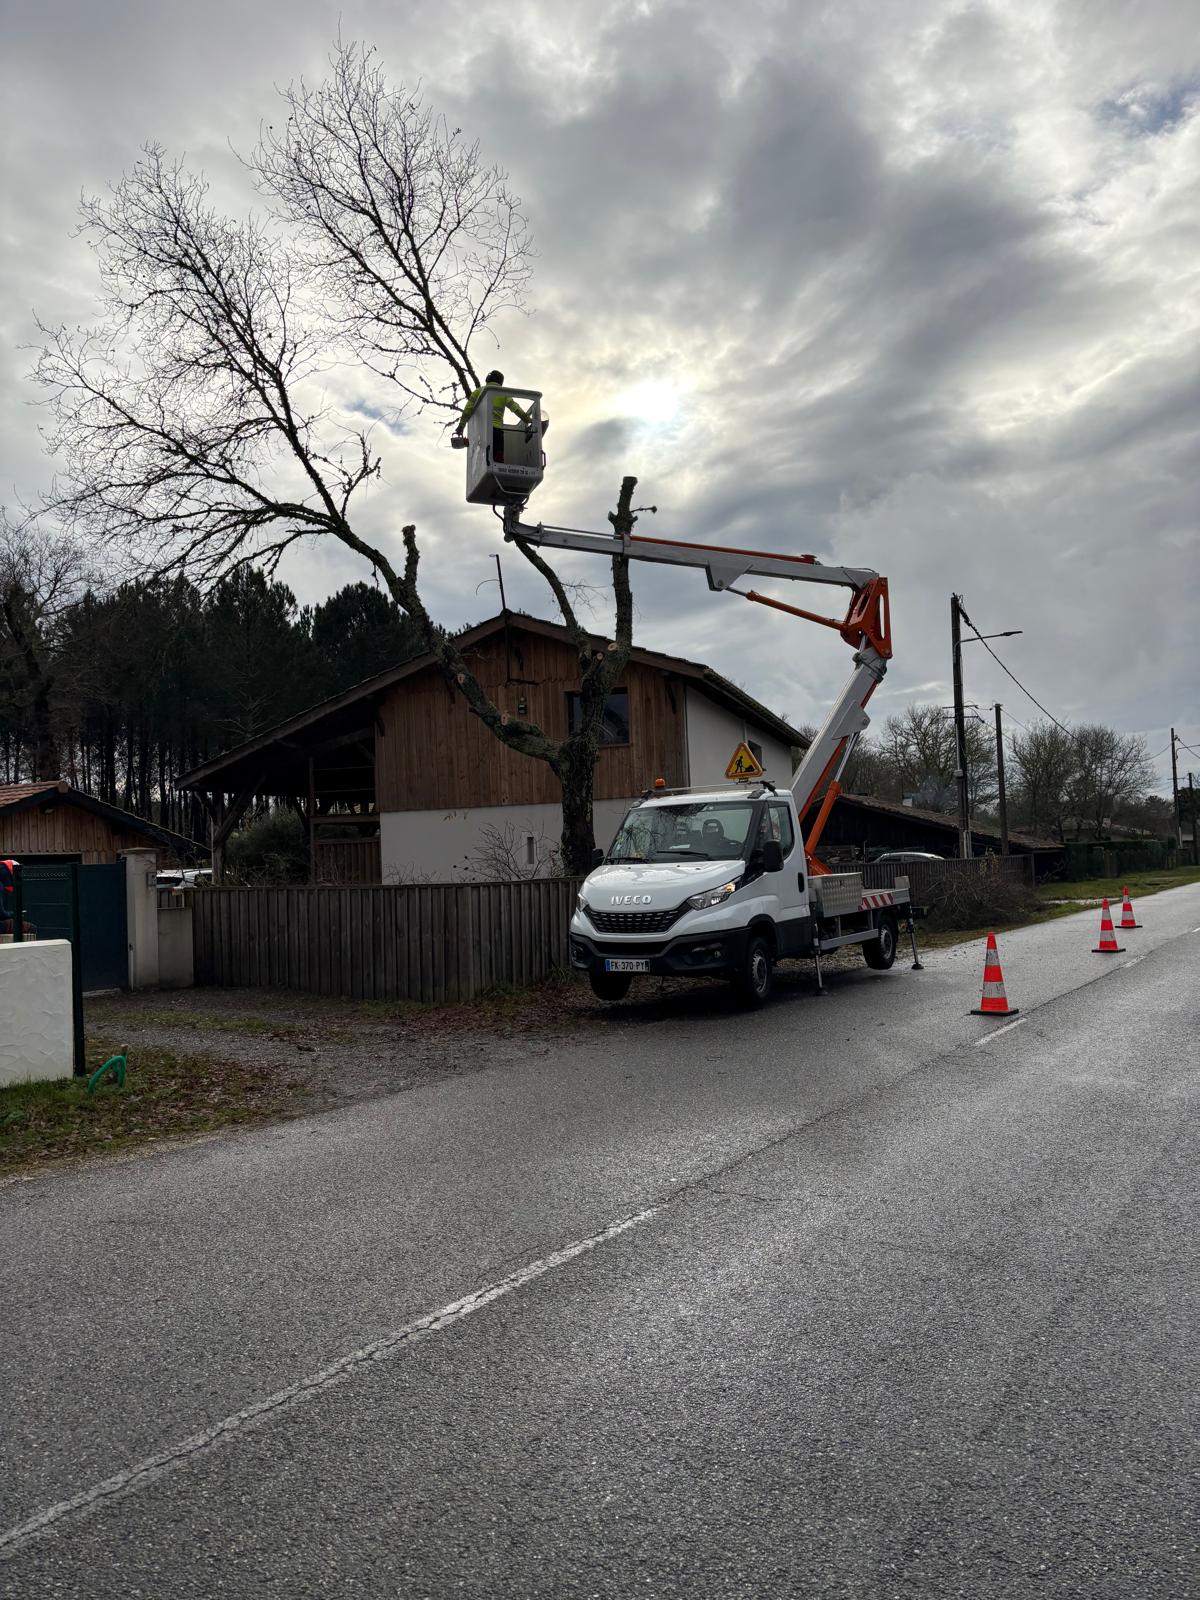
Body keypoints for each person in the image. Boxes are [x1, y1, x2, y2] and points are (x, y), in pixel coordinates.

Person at [455, 370, 530, 464]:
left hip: (482, 433)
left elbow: (467, 410)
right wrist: (528, 420)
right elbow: (516, 409)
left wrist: (461, 426)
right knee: (498, 461)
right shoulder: (504, 394)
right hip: (497, 432)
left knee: (483, 461)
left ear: (488, 378)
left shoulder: (478, 391)